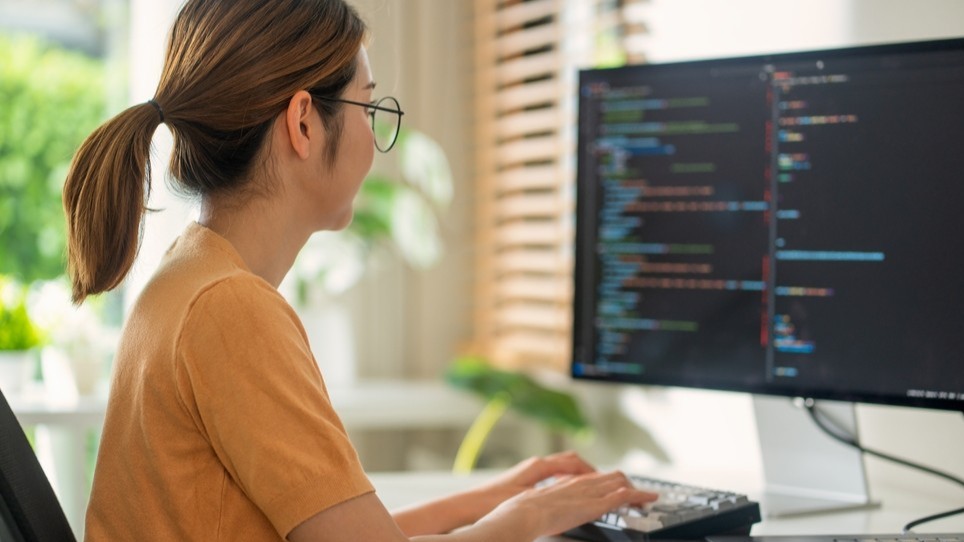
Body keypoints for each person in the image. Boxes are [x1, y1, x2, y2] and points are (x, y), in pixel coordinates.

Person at [62, 1, 655, 540]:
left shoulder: (186, 280)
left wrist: (493, 498)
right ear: (302, 123)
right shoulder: (230, 309)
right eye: (368, 106)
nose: (375, 136)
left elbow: (345, 531)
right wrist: (530, 518)